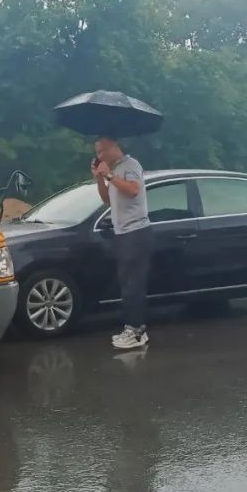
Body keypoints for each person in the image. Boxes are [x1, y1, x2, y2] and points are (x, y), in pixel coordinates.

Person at [92, 137, 152, 350]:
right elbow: (107, 200)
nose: (100, 156)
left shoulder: (131, 165)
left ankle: (137, 332)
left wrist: (109, 175)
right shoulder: (115, 170)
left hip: (136, 231)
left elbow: (134, 190)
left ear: (115, 147)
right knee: (126, 282)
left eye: (103, 151)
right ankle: (131, 328)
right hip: (122, 233)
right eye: (97, 153)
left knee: (133, 284)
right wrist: (100, 178)